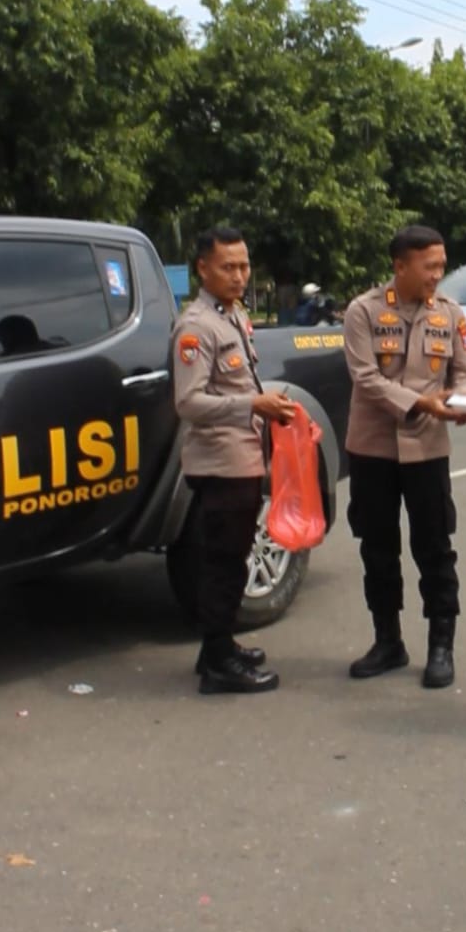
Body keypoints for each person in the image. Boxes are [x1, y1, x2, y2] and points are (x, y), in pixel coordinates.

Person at [343, 224, 466, 688]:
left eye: (442, 265)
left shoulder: (450, 314)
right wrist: (422, 402)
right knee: (378, 550)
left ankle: (442, 644)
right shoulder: (362, 312)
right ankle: (388, 641)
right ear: (400, 266)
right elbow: (366, 379)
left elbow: (465, 372)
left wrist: (464, 401)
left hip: (428, 451)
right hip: (373, 449)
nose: (437, 274)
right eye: (430, 265)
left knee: (435, 548)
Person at [172, 225, 296, 695]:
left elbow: (241, 383)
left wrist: (269, 404)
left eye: (244, 266)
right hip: (219, 462)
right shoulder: (196, 327)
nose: (240, 275)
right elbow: (189, 403)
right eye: (229, 267)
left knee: (233, 556)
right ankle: (220, 664)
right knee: (223, 563)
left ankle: (217, 647)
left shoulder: (233, 314)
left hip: (243, 455)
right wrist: (252, 406)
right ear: (202, 269)